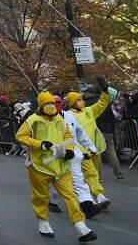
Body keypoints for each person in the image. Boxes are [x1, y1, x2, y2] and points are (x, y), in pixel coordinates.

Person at [15, 91, 96, 242]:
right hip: (40, 166)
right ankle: (43, 221)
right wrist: (40, 144)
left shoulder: (60, 119)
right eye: (47, 104)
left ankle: (80, 226)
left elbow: (68, 136)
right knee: (41, 196)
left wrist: (70, 151)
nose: (51, 106)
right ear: (41, 105)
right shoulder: (33, 120)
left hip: (61, 165)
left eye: (52, 103)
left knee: (70, 195)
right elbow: (21, 136)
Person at [67, 78, 115, 207]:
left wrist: (105, 91)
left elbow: (102, 104)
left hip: (93, 148)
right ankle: (95, 197)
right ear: (72, 102)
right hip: (79, 151)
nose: (81, 101)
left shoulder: (89, 111)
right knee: (88, 173)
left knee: (95, 174)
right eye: (78, 100)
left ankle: (95, 196)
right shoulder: (67, 115)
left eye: (81, 99)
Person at [55, 95, 102, 218]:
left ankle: (88, 206)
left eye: (58, 102)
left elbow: (81, 133)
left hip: (73, 154)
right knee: (57, 181)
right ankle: (53, 201)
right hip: (56, 155)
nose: (55, 105)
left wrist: (91, 148)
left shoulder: (70, 116)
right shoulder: (42, 119)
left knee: (78, 180)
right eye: (52, 103)